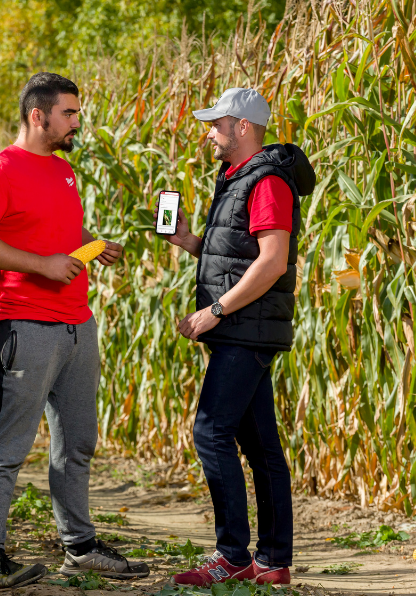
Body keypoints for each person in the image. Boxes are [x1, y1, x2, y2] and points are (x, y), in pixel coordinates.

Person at [0, 72, 147, 590]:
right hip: (24, 326)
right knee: (9, 446)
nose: (77, 124)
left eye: (77, 114)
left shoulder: (62, 171)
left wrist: (92, 244)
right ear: (37, 115)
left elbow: (59, 230)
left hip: (76, 326)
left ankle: (80, 548)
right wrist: (42, 265)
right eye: (70, 114)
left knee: (77, 442)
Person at [159, 88, 316, 586]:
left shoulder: (267, 182)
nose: (209, 133)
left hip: (245, 328)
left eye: (215, 124)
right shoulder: (237, 179)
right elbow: (240, 252)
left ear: (242, 127)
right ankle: (273, 562)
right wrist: (191, 243)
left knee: (210, 432)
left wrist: (216, 310)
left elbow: (272, 261)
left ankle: (233, 556)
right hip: (245, 326)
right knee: (259, 443)